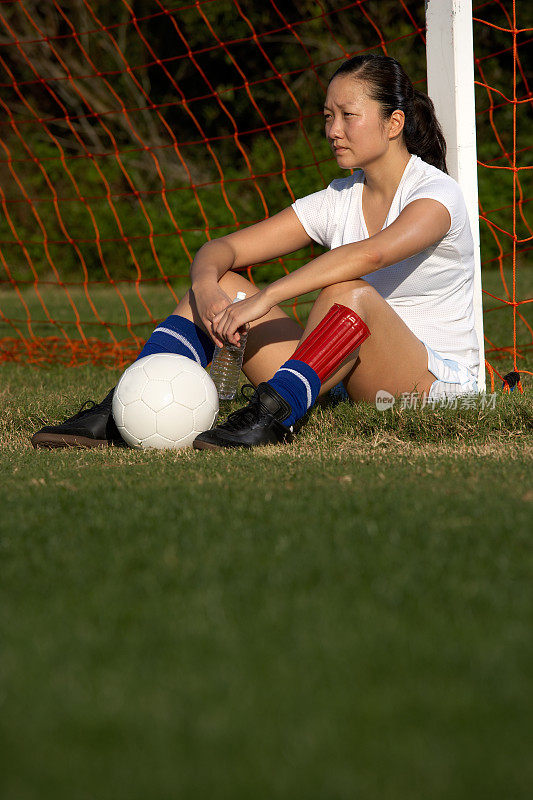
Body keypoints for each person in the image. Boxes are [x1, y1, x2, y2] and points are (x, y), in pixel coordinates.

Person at [32, 54, 479, 451]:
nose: (333, 130)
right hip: (342, 372)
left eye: (348, 115)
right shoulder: (338, 197)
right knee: (222, 283)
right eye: (328, 115)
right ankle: (123, 406)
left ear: (394, 123)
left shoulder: (437, 196)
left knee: (349, 293)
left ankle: (272, 416)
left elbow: (371, 255)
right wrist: (206, 286)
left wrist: (267, 297)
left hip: (429, 383)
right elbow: (222, 248)